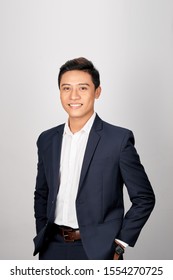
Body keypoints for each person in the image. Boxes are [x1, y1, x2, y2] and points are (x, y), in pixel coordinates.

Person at [33, 57, 155, 260]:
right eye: (66, 88)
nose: (73, 96)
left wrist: (120, 244)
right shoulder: (47, 139)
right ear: (60, 92)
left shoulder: (118, 140)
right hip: (51, 248)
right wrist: (42, 233)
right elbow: (42, 193)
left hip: (99, 251)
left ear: (97, 92)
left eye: (82, 88)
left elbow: (144, 198)